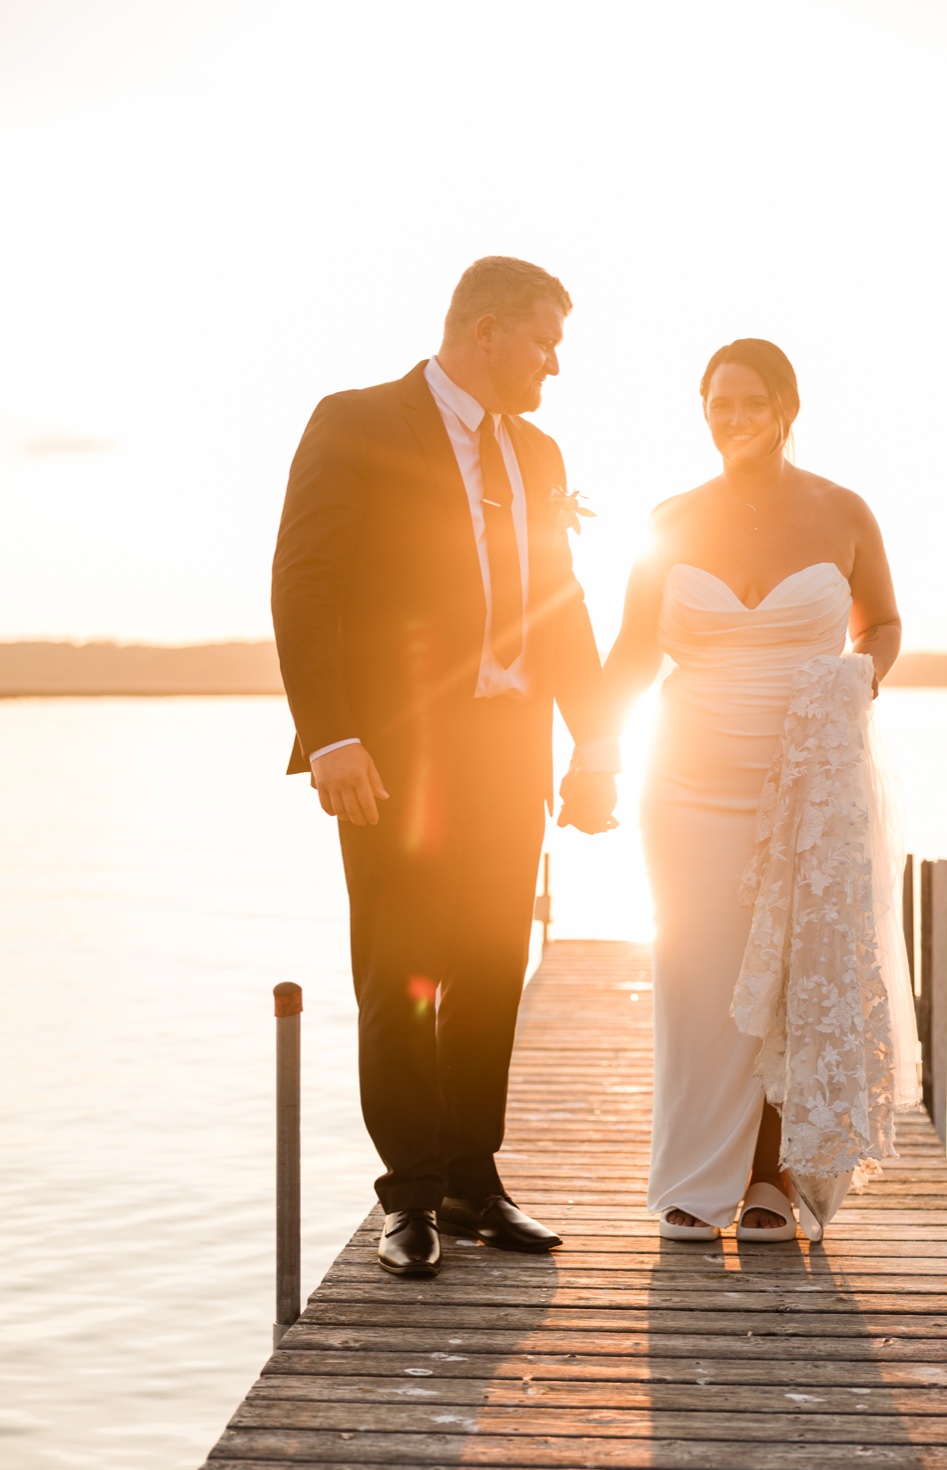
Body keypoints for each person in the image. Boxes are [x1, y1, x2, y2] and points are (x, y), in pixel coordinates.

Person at [272, 257, 618, 1278]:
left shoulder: (541, 454)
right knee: (399, 971)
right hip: (394, 751)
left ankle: (473, 1176)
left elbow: (562, 603)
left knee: (488, 964)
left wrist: (595, 743)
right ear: (486, 333)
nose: (554, 364)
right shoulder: (355, 422)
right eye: (544, 342)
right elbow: (305, 582)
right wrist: (330, 734)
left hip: (509, 748)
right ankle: (410, 1196)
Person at [604, 338, 906, 1242]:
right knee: (697, 974)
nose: (731, 420)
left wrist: (861, 678)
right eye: (716, 404)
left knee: (790, 974)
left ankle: (772, 1176)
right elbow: (629, 651)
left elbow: (883, 623)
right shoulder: (668, 519)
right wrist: (588, 748)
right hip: (687, 779)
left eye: (748, 403)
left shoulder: (843, 510)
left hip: (807, 781)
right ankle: (697, 1176)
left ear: (786, 408)